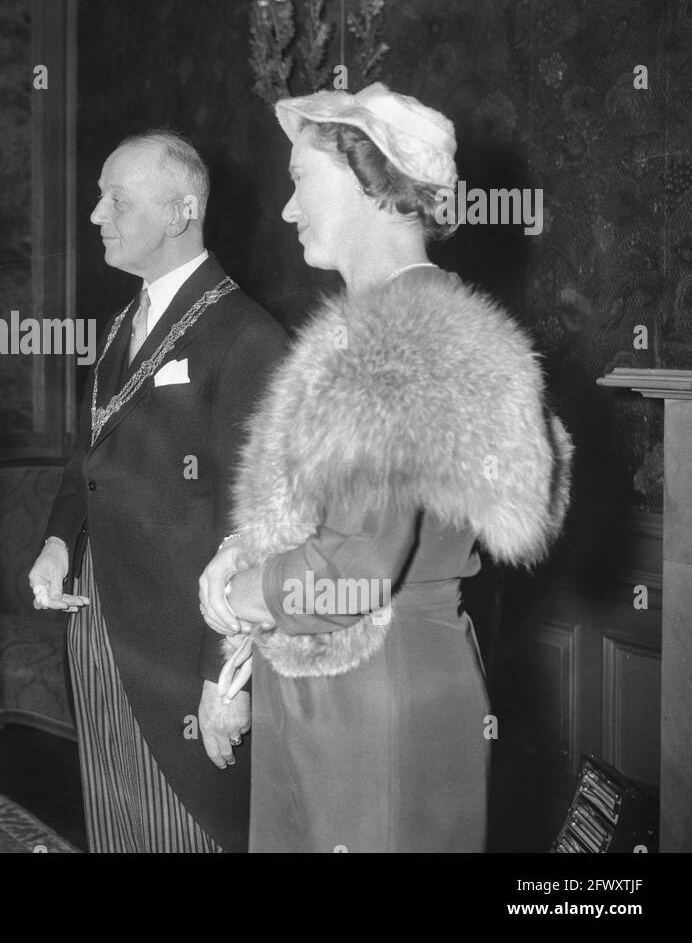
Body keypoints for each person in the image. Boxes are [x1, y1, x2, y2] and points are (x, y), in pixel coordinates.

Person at [199, 83, 574, 852]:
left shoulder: (397, 336)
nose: (287, 208)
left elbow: (354, 572)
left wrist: (238, 592)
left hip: (371, 698)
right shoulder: (418, 316)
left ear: (372, 180)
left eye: (302, 180)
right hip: (355, 684)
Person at [27, 130, 288, 852]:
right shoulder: (124, 324)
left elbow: (258, 523)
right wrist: (59, 538)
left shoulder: (248, 336)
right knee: (117, 827)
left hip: (182, 650)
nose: (95, 214)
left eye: (116, 197)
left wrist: (225, 680)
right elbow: (93, 451)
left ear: (180, 211)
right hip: (102, 622)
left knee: (183, 832)